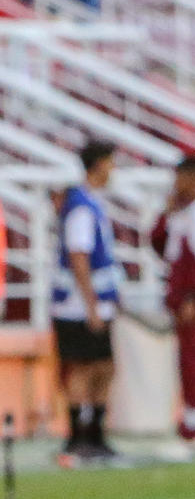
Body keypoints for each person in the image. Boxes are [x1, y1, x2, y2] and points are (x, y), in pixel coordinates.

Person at [51, 139, 121, 462]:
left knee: (103, 367)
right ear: (99, 164)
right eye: (110, 162)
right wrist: (92, 306)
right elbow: (79, 257)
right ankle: (79, 435)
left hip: (91, 302)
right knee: (82, 368)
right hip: (76, 305)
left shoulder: (89, 203)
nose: (113, 170)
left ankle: (94, 433)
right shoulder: (81, 206)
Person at [149, 156, 195, 454]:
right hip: (180, 298)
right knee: (189, 361)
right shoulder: (181, 212)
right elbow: (159, 246)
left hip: (192, 301)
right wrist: (164, 215)